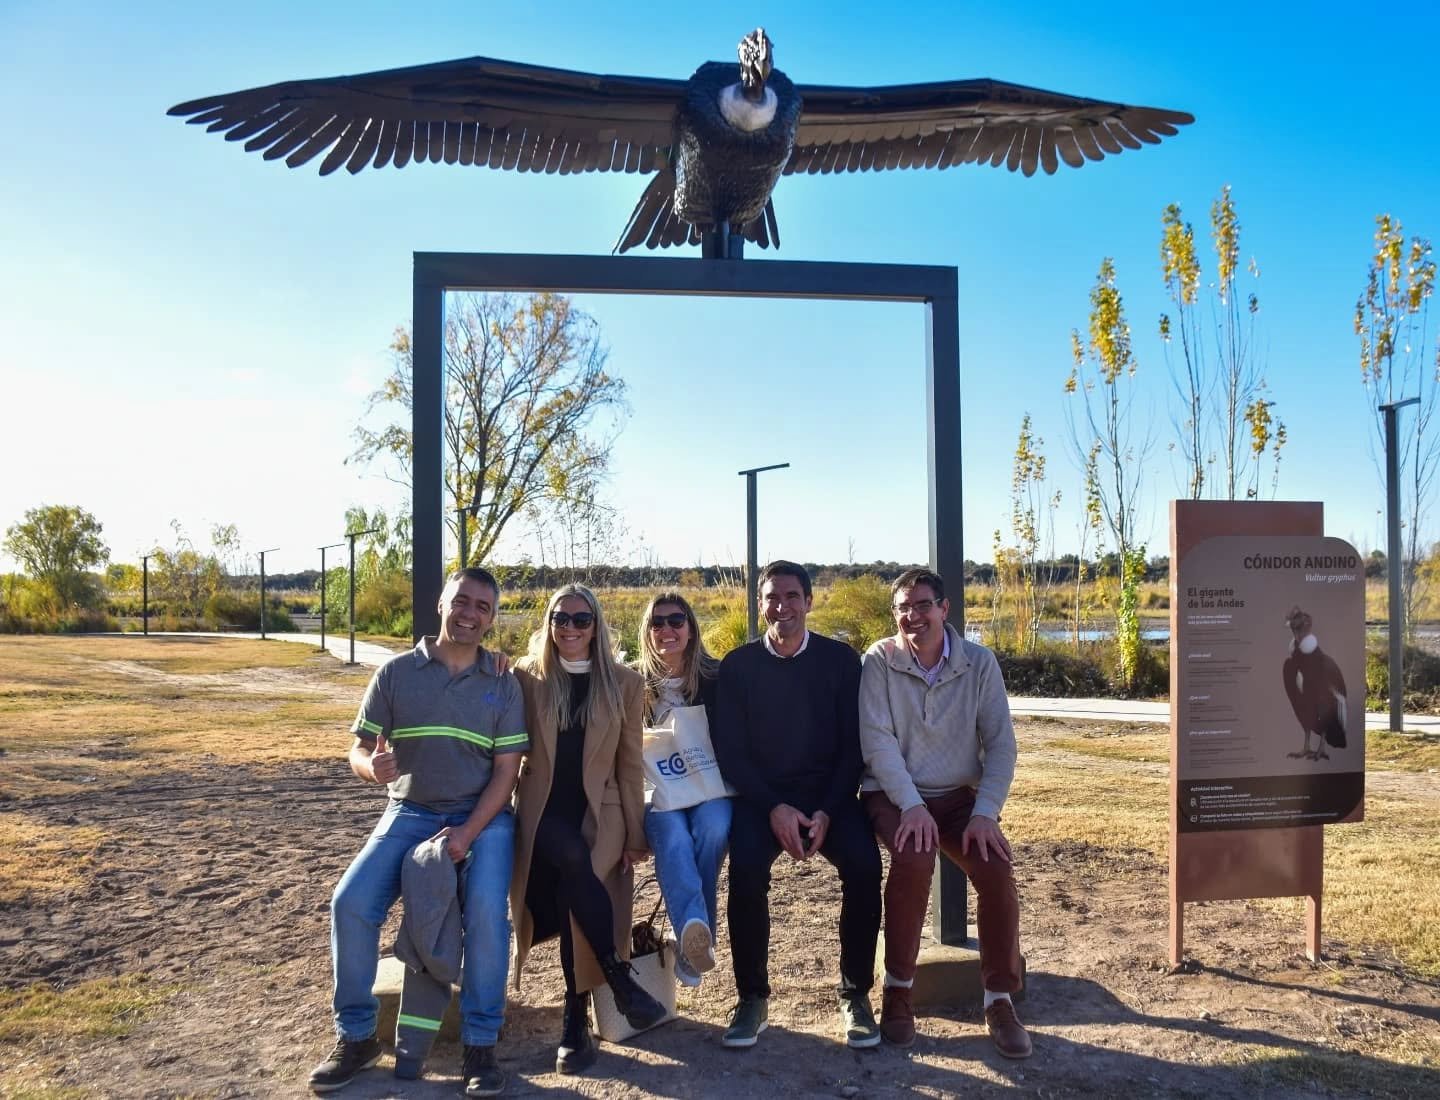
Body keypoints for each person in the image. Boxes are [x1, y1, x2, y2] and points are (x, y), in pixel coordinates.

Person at [309, 567, 525, 1097]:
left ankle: (480, 1045)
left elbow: (507, 773)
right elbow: (358, 748)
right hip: (409, 811)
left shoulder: (503, 681)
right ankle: (357, 1036)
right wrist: (369, 768)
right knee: (350, 903)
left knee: (486, 917)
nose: (470, 613)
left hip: (484, 816)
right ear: (441, 603)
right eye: (462, 601)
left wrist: (467, 834)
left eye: (482, 607)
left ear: (492, 618)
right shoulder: (396, 673)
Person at [859, 568, 1030, 1058]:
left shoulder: (979, 664)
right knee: (914, 859)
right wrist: (911, 805)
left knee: (997, 869)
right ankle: (897, 990)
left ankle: (999, 999)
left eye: (923, 605)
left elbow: (1001, 746)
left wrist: (985, 813)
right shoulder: (879, 659)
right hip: (893, 794)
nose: (914, 616)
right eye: (903, 608)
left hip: (960, 799)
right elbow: (877, 742)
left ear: (944, 608)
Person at [713, 560, 882, 1050]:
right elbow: (732, 752)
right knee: (745, 870)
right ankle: (752, 999)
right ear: (761, 603)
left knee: (866, 867)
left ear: (809, 601)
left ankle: (855, 995)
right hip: (763, 799)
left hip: (830, 797)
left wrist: (829, 809)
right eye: (771, 598)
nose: (781, 606)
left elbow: (855, 746)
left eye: (791, 596)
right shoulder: (739, 665)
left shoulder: (841, 661)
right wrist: (772, 807)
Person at [510, 584, 667, 1075]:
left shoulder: (622, 683)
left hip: (603, 814)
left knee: (575, 893)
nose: (570, 628)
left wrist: (636, 837)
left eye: (581, 619)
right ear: (548, 622)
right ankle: (616, 981)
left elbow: (629, 766)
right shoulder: (525, 676)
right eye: (560, 618)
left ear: (596, 625)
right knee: (570, 861)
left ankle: (575, 1020)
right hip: (543, 813)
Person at [635, 592, 732, 987]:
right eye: (657, 622)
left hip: (711, 786)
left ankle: (692, 934)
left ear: (691, 629)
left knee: (712, 830)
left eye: (676, 620)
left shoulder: (716, 677)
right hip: (661, 792)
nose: (667, 630)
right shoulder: (631, 683)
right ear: (647, 631)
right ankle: (696, 935)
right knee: (673, 837)